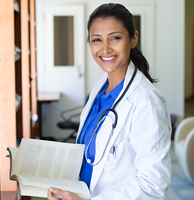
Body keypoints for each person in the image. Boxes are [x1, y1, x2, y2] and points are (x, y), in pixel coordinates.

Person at [47, 3, 171, 200]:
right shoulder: (100, 89)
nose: (105, 48)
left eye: (115, 38)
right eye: (97, 39)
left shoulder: (145, 102)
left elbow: (153, 184)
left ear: (133, 39)